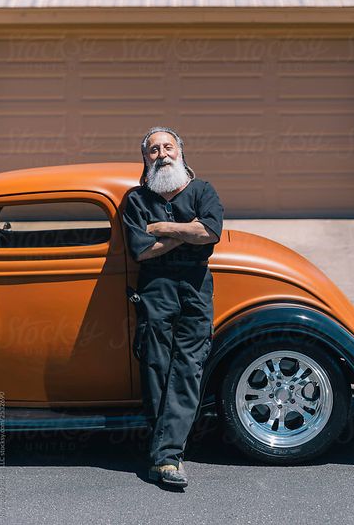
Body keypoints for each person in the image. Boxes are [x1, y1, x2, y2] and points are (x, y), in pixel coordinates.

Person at [122, 125, 224, 488]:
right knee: (156, 367)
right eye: (153, 150)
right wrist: (188, 231)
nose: (162, 154)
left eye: (168, 147)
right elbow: (142, 250)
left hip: (196, 288)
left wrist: (164, 227)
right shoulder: (135, 200)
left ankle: (166, 458)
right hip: (155, 289)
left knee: (188, 367)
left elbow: (210, 232)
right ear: (145, 159)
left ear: (181, 152)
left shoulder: (203, 190)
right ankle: (167, 449)